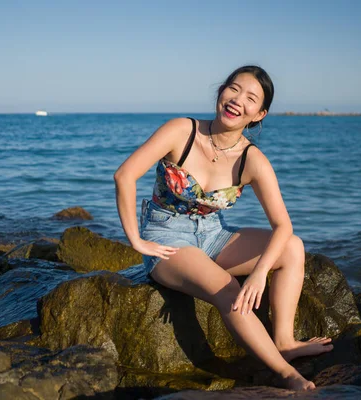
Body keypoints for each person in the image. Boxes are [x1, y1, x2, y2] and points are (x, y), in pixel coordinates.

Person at [114, 65, 333, 391]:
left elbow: (282, 225)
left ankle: (284, 340)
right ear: (221, 91)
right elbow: (125, 175)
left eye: (250, 98)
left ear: (259, 114)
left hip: (215, 234)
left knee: (292, 247)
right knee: (228, 289)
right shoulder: (182, 131)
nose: (237, 100)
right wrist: (136, 239)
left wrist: (260, 273)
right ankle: (285, 373)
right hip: (166, 236)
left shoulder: (252, 158)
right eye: (233, 88)